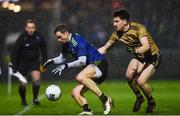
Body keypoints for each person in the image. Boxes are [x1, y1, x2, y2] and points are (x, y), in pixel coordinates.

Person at [98, 10, 161, 113]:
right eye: (114, 21)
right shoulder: (117, 34)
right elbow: (104, 48)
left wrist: (135, 50)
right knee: (128, 76)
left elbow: (146, 46)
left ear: (125, 21)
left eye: (116, 21)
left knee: (140, 82)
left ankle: (151, 102)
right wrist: (90, 55)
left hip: (153, 56)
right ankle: (139, 97)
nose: (114, 24)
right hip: (140, 57)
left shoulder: (138, 28)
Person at [43, 24, 112, 115]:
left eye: (60, 37)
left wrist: (65, 66)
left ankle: (105, 99)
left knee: (80, 77)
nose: (58, 40)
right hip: (91, 68)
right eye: (57, 38)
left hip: (99, 63)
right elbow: (62, 58)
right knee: (75, 93)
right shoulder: (66, 43)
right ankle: (87, 110)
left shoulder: (77, 41)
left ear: (66, 33)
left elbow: (82, 62)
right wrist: (51, 61)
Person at [11, 19, 47, 106]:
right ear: (26, 28)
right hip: (22, 63)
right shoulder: (22, 37)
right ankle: (23, 100)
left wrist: (44, 62)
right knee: (23, 84)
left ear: (35, 28)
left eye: (32, 27)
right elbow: (15, 51)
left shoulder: (39, 36)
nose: (31, 29)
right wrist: (14, 65)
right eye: (29, 27)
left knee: (37, 80)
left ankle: (35, 99)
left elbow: (44, 50)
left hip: (34, 62)